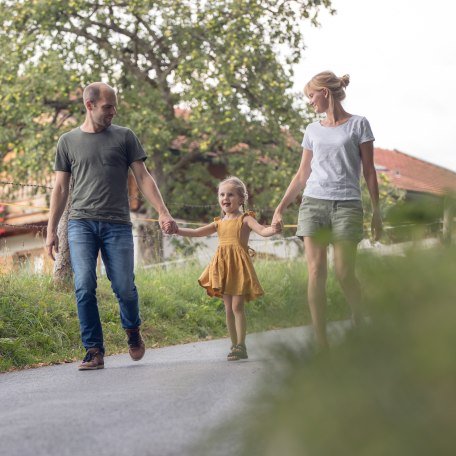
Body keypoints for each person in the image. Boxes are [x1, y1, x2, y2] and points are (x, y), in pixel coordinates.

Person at [46, 82, 177, 370]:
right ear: (89, 105)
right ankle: (93, 350)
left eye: (115, 106)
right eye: (107, 107)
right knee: (83, 285)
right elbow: (59, 188)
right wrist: (51, 229)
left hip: (117, 223)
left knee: (124, 287)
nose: (113, 112)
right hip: (80, 223)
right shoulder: (67, 141)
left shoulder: (125, 137)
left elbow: (143, 177)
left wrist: (163, 212)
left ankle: (132, 330)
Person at [272, 71, 382, 349]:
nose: (310, 101)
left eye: (311, 95)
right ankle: (321, 342)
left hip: (347, 205)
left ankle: (359, 312)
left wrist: (377, 211)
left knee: (344, 272)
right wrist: (280, 208)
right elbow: (302, 174)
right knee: (316, 272)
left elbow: (369, 171)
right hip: (313, 204)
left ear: (325, 92)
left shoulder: (359, 125)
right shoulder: (312, 130)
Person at [175, 176, 281, 361]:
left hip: (238, 267)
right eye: (222, 194)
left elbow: (263, 231)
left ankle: (241, 345)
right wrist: (176, 230)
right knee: (227, 307)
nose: (225, 198)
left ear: (241, 199)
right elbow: (196, 232)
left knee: (237, 306)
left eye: (230, 194)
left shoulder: (245, 219)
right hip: (222, 266)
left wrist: (274, 229)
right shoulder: (219, 222)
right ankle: (233, 345)